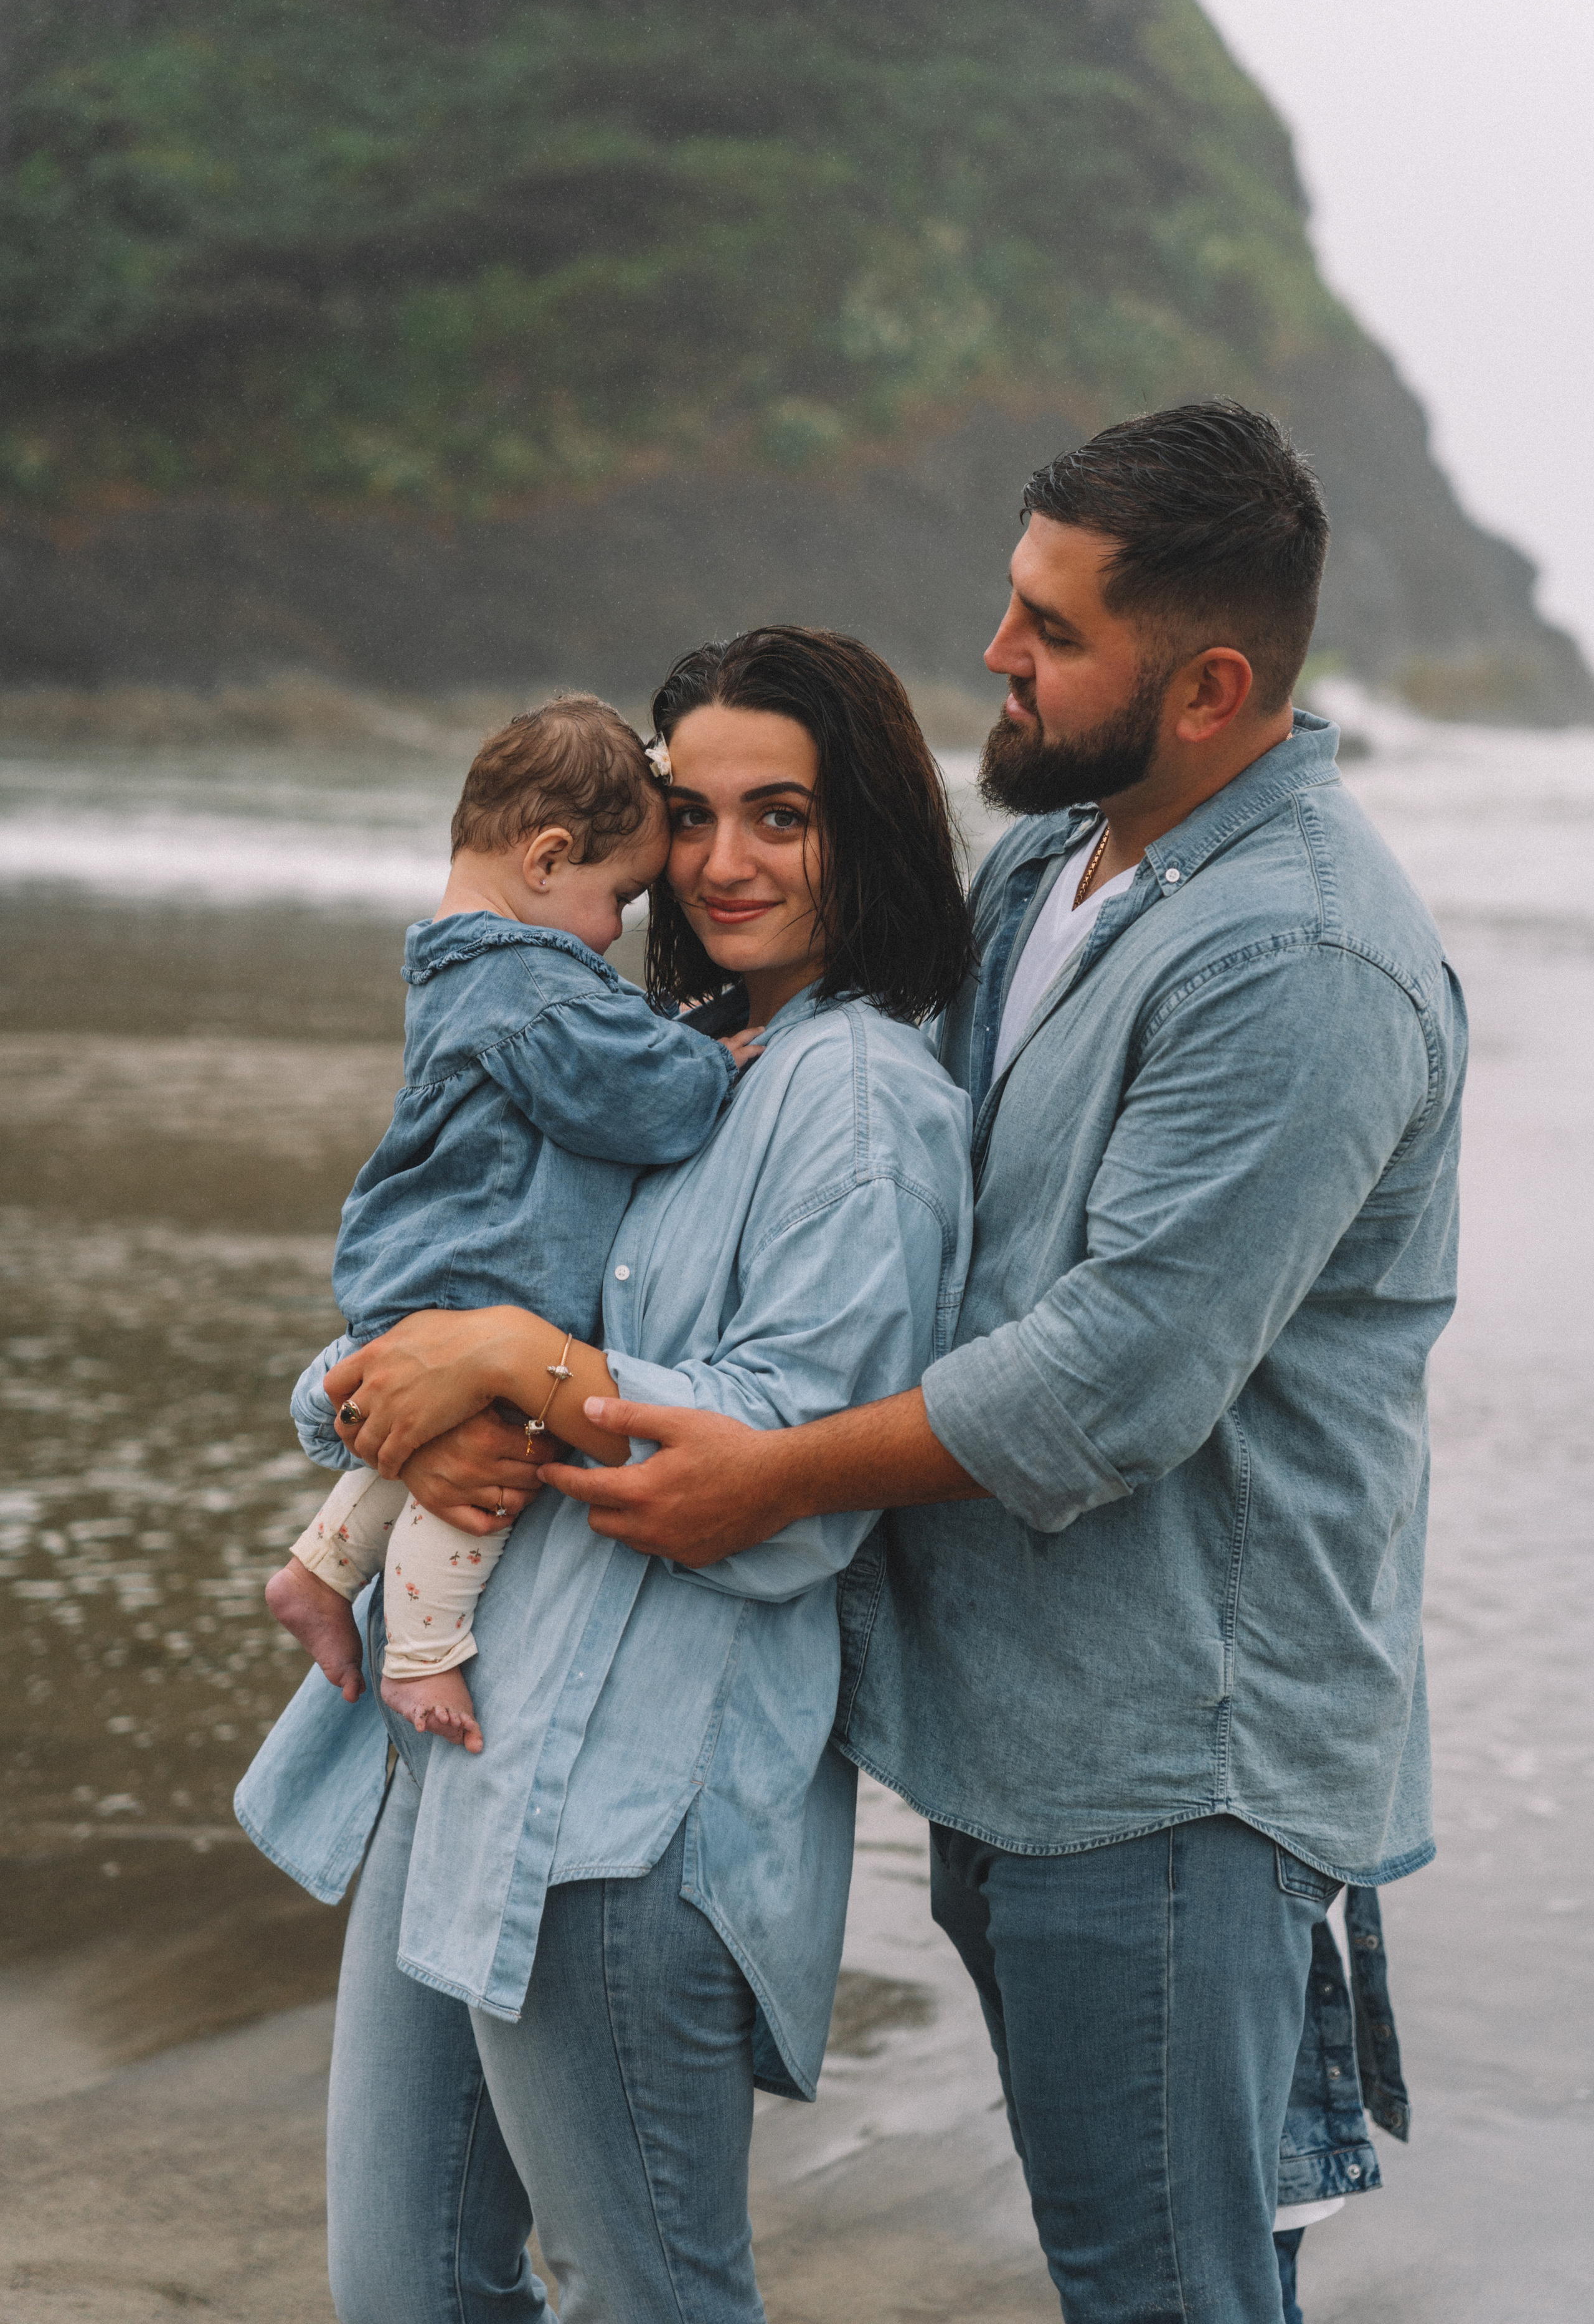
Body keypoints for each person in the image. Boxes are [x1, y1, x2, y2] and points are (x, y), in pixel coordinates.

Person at [520, 402, 1466, 2323]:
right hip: (1022, 1737)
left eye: (1049, 629)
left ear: (1206, 685)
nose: (996, 654)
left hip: (1178, 1767)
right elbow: (853, 1165)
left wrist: (765, 1476)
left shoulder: (1303, 959)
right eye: (1010, 601)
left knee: (1163, 2289)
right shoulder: (1062, 871)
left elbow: (1115, 1375)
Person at [235, 626, 976, 2322]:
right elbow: (421, 1309)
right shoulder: (627, 1057)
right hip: (459, 1768)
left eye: (778, 816)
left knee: (644, 2299)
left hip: (629, 1810)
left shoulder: (855, 1099)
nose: (722, 865)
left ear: (862, 830)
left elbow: (793, 1485)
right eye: (692, 819)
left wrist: (519, 1372)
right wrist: (399, 1384)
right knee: (403, 2293)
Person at [262, 693, 754, 1752]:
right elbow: (638, 1099)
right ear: (547, 857)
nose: (623, 927)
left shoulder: (464, 966)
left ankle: (317, 1572)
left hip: (423, 1273)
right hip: (478, 1278)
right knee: (492, 1466)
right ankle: (423, 1657)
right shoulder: (531, 984)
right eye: (619, 894)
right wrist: (712, 1063)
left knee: (419, 1455)